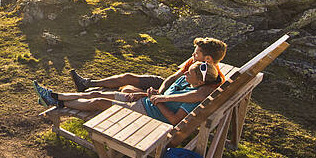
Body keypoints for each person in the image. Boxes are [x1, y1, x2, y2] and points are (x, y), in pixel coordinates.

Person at [34, 61, 222, 125]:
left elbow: (174, 120)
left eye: (190, 72)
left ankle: (56, 102)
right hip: (143, 102)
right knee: (95, 94)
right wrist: (147, 94)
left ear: (199, 81)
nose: (185, 71)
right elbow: (160, 94)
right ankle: (56, 96)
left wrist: (157, 101)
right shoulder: (184, 80)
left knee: (97, 102)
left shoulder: (192, 99)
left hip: (148, 114)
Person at [69, 37, 227, 98]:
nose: (193, 55)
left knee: (127, 89)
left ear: (208, 58)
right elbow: (173, 77)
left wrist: (161, 95)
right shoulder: (196, 64)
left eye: (196, 53)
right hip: (168, 87)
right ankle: (87, 84)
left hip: (171, 96)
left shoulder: (211, 81)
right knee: (128, 77)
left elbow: (188, 96)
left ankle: (104, 95)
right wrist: (162, 89)